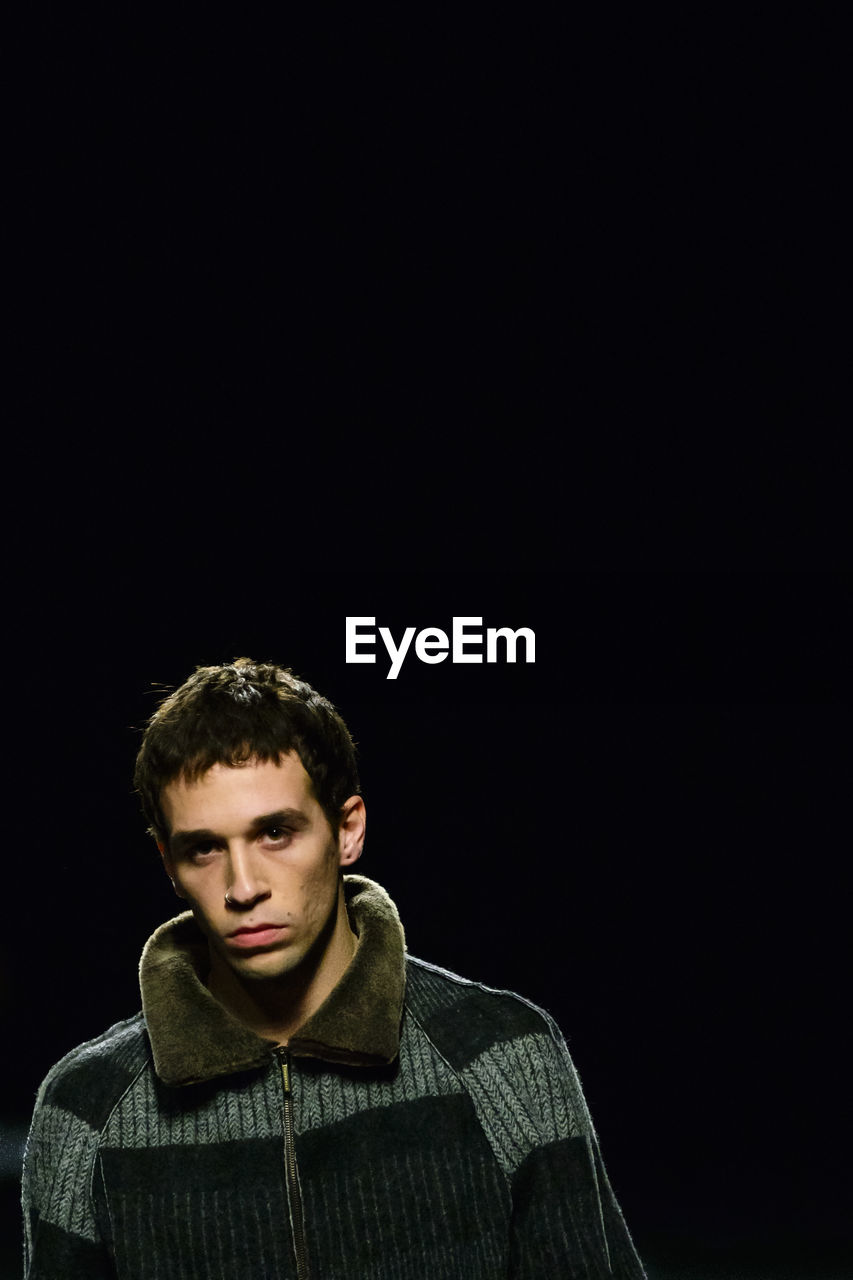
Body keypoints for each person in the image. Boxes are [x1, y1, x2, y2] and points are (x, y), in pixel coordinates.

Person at [22, 658, 647, 1279]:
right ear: (168, 862)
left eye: (275, 833)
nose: (243, 887)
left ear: (347, 830)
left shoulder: (503, 1058)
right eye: (204, 847)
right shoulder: (87, 1110)